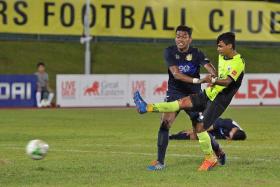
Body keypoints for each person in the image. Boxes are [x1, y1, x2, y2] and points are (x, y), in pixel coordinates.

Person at [134, 32, 245, 171]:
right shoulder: (222, 56)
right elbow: (219, 75)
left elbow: (228, 81)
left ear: (230, 46)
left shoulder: (238, 62)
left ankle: (211, 157)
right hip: (208, 94)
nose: (218, 49)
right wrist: (213, 80)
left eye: (221, 46)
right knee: (182, 103)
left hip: (218, 100)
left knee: (199, 128)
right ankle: (146, 107)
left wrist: (213, 80)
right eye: (217, 46)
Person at [169, 118, 247, 140]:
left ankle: (173, 136)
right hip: (212, 124)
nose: (229, 137)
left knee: (197, 137)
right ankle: (171, 136)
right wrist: (194, 131)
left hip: (219, 134)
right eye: (231, 135)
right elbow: (212, 126)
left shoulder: (239, 135)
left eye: (231, 137)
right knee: (194, 134)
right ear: (235, 129)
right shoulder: (228, 123)